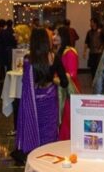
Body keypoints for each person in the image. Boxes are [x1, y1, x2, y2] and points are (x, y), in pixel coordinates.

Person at [15, 28, 69, 156]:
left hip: (33, 102)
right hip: (50, 100)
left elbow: (26, 83)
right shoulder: (54, 57)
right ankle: (49, 160)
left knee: (34, 130)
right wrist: (53, 80)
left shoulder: (28, 59)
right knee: (49, 131)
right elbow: (64, 82)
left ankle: (35, 159)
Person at [53, 26, 80, 140]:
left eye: (58, 35)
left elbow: (72, 75)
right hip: (59, 90)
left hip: (68, 92)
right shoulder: (58, 51)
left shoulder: (70, 52)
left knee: (66, 119)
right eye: (54, 34)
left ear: (63, 37)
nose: (54, 37)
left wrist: (54, 79)